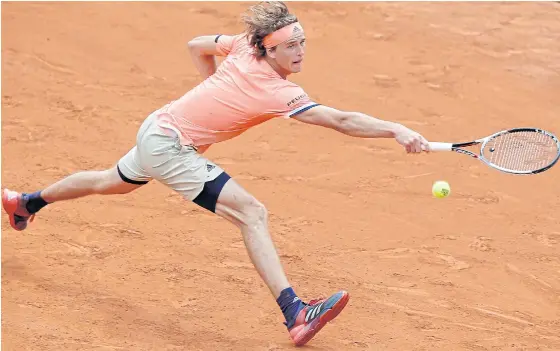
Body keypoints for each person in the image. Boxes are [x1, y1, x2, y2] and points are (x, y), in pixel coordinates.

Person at [2, 1, 431, 346]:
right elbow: (341, 121)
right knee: (251, 212)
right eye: (291, 45)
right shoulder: (278, 90)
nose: (300, 51)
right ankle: (295, 313)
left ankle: (25, 202)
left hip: (159, 128)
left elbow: (196, 45)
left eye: (302, 41)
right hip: (170, 145)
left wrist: (206, 94)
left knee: (108, 182)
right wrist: (396, 129)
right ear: (269, 49)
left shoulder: (244, 45)